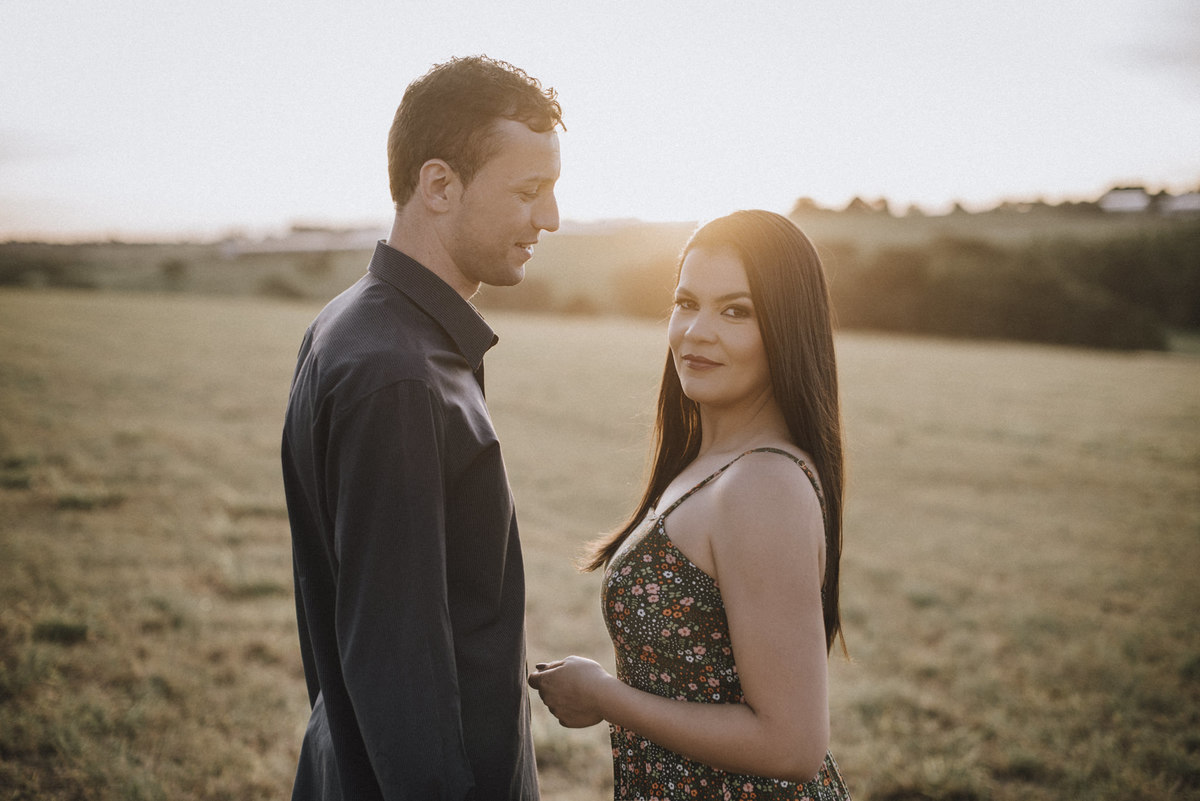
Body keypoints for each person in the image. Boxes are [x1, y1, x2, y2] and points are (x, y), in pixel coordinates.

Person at [281, 55, 562, 800]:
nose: (552, 218)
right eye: (529, 192)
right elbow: (397, 659)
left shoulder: (357, 324)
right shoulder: (397, 376)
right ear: (439, 185)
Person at [528, 210, 852, 800]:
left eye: (736, 311)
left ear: (787, 328)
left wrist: (604, 697)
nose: (696, 331)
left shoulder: (763, 485)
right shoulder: (709, 466)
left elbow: (793, 746)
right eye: (685, 303)